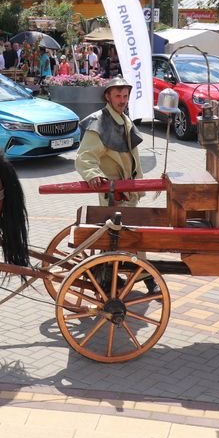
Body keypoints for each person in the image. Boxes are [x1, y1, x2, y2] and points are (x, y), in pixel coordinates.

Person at [75, 77, 156, 292]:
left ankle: (108, 276)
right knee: (129, 236)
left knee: (119, 237)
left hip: (128, 190)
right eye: (118, 96)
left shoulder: (124, 120)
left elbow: (133, 156)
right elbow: (84, 157)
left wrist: (139, 183)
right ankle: (148, 279)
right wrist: (92, 174)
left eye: (125, 96)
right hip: (112, 193)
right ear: (108, 96)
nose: (122, 100)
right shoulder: (99, 123)